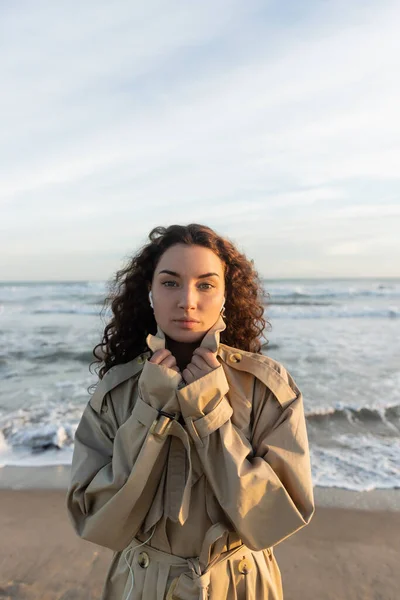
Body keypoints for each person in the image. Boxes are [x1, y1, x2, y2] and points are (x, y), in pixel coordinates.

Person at [66, 223, 315, 600]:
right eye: (170, 283)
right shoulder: (117, 389)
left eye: (205, 284)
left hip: (242, 584)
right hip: (139, 585)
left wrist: (209, 411)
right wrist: (150, 409)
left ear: (226, 295)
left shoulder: (267, 386)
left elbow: (277, 518)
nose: (187, 300)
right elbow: (95, 520)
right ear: (149, 292)